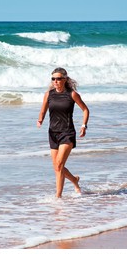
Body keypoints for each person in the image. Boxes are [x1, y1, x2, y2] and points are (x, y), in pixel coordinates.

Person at [37, 67, 89, 198]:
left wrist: (84, 125)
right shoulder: (49, 94)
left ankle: (58, 196)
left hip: (67, 133)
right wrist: (40, 120)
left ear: (65, 79)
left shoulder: (72, 94)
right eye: (53, 79)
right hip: (53, 133)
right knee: (57, 166)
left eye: (58, 78)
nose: (55, 81)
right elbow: (43, 110)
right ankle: (75, 180)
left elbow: (85, 110)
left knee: (59, 164)